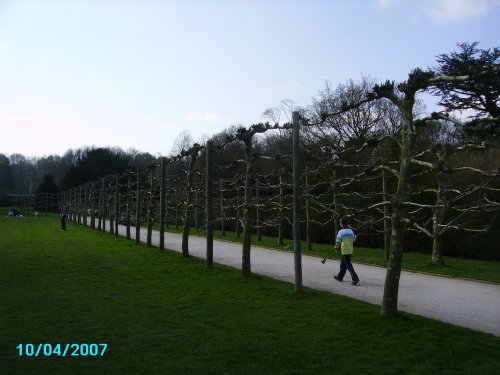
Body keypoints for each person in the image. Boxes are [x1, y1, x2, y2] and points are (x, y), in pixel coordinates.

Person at [333, 217, 360, 286]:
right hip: (350, 250)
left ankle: (355, 279)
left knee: (348, 265)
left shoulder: (340, 232)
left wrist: (336, 247)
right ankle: (340, 277)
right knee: (343, 264)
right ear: (347, 223)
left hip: (344, 250)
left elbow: (338, 242)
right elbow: (354, 240)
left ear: (341, 224)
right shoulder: (351, 231)